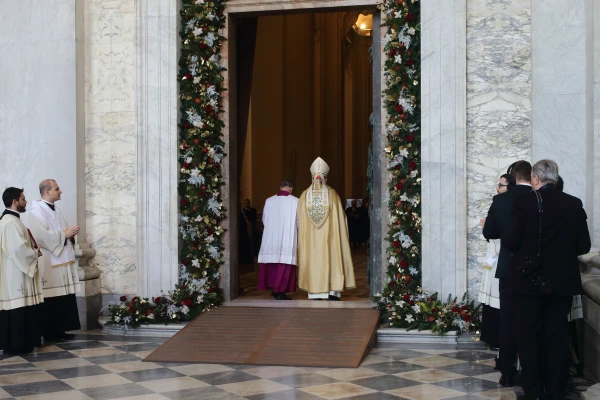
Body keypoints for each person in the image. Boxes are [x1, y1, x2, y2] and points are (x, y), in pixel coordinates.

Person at [503, 160, 591, 400]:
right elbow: (584, 245)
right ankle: (555, 390)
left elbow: (510, 241)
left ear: (535, 179)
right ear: (555, 177)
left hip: (528, 281)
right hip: (562, 283)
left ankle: (532, 390)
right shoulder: (573, 204)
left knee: (529, 337)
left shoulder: (522, 202)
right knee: (557, 335)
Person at [482, 160, 532, 386]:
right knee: (533, 321)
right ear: (533, 177)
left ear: (512, 177)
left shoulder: (501, 200)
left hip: (509, 267)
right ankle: (531, 372)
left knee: (508, 320)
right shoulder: (538, 198)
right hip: (534, 269)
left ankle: (507, 371)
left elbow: (490, 231)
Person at [25, 180, 81, 341]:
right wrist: (65, 235)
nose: (60, 191)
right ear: (47, 191)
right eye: (57, 189)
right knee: (52, 297)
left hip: (60, 259)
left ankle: (60, 329)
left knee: (63, 296)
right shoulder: (37, 211)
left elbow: (60, 232)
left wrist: (69, 235)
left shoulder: (56, 210)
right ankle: (50, 332)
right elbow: (39, 236)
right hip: (50, 261)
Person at [297, 157, 356, 300]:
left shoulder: (304, 195)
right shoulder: (332, 194)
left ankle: (314, 291)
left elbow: (300, 221)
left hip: (310, 242)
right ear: (326, 178)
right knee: (332, 257)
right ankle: (332, 292)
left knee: (313, 260)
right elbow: (341, 220)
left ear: (312, 177)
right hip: (331, 239)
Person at [0, 187, 44, 355]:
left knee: (21, 307)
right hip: (15, 272)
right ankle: (16, 345)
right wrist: (34, 252)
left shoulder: (13, 220)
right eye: (23, 199)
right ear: (15, 201)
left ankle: (23, 343)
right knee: (17, 306)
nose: (26, 202)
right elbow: (17, 249)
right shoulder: (10, 222)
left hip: (16, 270)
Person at [478, 173, 516, 350]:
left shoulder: (505, 203)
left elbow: (492, 231)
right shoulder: (500, 202)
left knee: (500, 300)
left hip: (503, 256)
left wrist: (487, 226)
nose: (497, 188)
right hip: (495, 254)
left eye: (500, 185)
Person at [257, 180, 298, 300]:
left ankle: (274, 289)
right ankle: (280, 291)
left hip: (271, 237)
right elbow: (298, 221)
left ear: (280, 187)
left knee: (272, 263)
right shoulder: (296, 201)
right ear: (292, 189)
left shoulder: (269, 200)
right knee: (284, 263)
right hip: (287, 237)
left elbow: (264, 219)